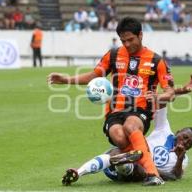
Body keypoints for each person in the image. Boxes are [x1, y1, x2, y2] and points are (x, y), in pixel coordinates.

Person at [47, 17, 175, 186]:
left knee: (131, 126)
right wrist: (65, 79)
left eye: (131, 40)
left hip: (140, 110)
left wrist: (159, 97)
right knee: (120, 138)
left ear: (141, 35)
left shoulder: (156, 61)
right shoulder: (114, 55)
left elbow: (170, 92)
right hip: (114, 112)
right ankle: (134, 155)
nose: (127, 44)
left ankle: (153, 173)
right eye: (123, 41)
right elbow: (94, 76)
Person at [61, 75, 192, 185]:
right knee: (118, 152)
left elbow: (175, 176)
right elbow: (162, 101)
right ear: (178, 132)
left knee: (137, 166)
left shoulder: (183, 159)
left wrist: (179, 160)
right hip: (117, 167)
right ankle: (78, 173)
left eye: (190, 143)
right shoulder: (164, 130)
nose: (186, 142)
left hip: (139, 173)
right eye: (185, 137)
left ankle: (128, 163)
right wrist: (183, 90)